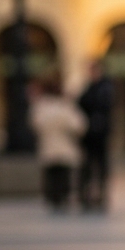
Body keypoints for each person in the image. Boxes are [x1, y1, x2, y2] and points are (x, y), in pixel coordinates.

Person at [31, 77, 87, 211]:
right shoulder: (65, 106)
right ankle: (63, 197)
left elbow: (35, 124)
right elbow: (79, 125)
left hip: (48, 145)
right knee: (64, 175)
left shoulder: (41, 107)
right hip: (65, 146)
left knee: (51, 174)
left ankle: (52, 198)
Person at [77, 60, 114, 210]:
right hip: (89, 134)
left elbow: (101, 105)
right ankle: (87, 195)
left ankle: (101, 195)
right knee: (88, 165)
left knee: (101, 164)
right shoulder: (89, 87)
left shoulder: (105, 87)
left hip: (100, 133)